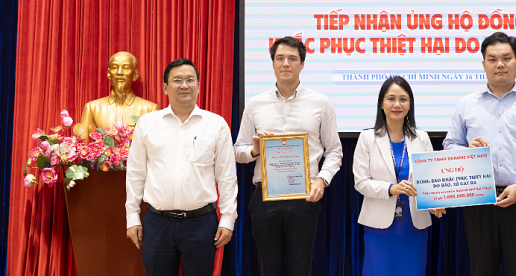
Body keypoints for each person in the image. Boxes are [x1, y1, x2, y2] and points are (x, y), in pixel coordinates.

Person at [443, 31, 516, 276]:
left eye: (506, 58)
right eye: (492, 59)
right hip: (479, 200)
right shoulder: (466, 104)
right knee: (481, 270)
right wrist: (466, 151)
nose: (500, 64)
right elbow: (450, 144)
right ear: (483, 64)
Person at [234, 36, 343, 276]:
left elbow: (335, 150)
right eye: (280, 58)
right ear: (272, 63)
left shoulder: (321, 103)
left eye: (292, 58)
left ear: (302, 64)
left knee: (300, 268)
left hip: (304, 198)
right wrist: (254, 150)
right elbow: (238, 151)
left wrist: (322, 180)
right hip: (265, 196)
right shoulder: (255, 104)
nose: (286, 63)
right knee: (268, 268)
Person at [125, 58, 237, 276]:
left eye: (189, 80)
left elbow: (227, 176)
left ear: (198, 85)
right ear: (165, 87)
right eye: (177, 80)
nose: (184, 85)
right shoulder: (148, 123)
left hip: (201, 225)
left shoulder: (216, 124)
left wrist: (228, 218)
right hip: (157, 224)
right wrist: (132, 216)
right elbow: (136, 173)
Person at [353, 76, 445, 276]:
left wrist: (434, 202)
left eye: (403, 99)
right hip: (379, 225)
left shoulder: (422, 138)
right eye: (391, 99)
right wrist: (390, 189)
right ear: (381, 104)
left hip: (414, 225)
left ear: (410, 104)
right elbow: (361, 182)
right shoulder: (367, 138)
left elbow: (431, 181)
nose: (397, 104)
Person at [78, 51, 158, 142]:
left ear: (135, 74)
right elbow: (84, 146)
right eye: (115, 68)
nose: (119, 72)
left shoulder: (150, 109)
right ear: (109, 73)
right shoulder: (92, 108)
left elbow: (155, 146)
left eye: (126, 68)